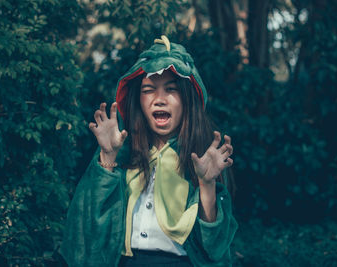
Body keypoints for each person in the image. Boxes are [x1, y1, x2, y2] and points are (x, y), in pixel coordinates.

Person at [60, 36, 238, 267]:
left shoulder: (202, 158)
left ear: (187, 99)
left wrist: (207, 183)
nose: (159, 99)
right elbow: (90, 229)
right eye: (149, 90)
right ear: (138, 100)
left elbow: (213, 245)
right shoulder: (122, 152)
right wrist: (108, 156)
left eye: (171, 89)